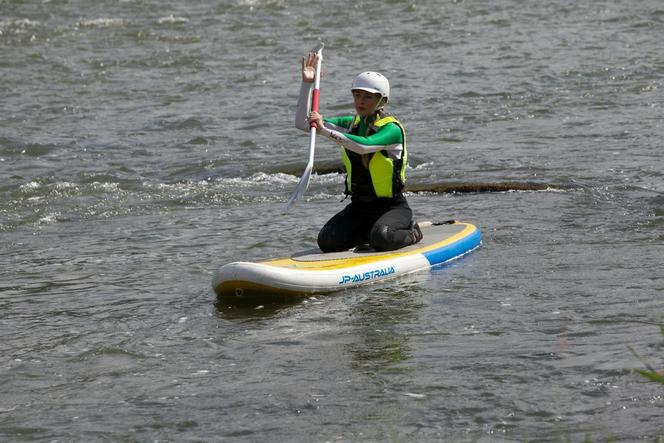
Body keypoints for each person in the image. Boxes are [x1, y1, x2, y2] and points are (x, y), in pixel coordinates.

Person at [295, 51, 422, 253]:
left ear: (381, 101)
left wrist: (324, 131)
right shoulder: (351, 124)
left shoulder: (391, 130)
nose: (360, 101)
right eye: (357, 95)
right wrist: (306, 85)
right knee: (327, 241)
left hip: (392, 208)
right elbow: (303, 124)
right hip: (359, 208)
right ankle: (370, 234)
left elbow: (363, 145)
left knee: (382, 237)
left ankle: (412, 232)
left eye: (367, 97)